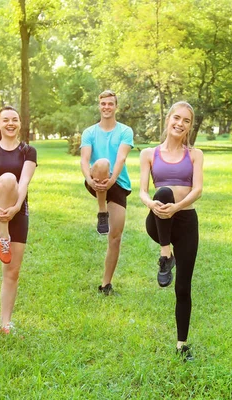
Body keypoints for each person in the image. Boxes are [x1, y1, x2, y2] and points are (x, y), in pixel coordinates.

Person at [139, 101, 203, 361]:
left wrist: (177, 207)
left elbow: (197, 189)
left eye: (186, 120)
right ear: (167, 119)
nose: (180, 123)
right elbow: (143, 190)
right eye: (176, 118)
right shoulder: (149, 154)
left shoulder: (195, 154)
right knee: (162, 192)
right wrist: (151, 203)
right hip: (158, 222)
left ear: (190, 126)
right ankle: (165, 254)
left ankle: (182, 343)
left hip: (186, 222)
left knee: (183, 287)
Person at [0, 106, 37, 334]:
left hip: (17, 211)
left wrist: (14, 208)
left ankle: (5, 324)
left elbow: (24, 184)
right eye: (5, 120)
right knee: (7, 178)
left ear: (20, 123)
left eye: (14, 119)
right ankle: (2, 232)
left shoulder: (28, 151)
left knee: (12, 271)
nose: (10, 123)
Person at [80, 90, 134, 295]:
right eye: (103, 104)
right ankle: (101, 212)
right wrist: (89, 180)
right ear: (99, 105)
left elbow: (121, 158)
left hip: (117, 182)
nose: (106, 107)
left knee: (116, 236)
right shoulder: (89, 132)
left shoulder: (125, 131)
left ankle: (106, 284)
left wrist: (112, 181)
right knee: (102, 163)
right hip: (96, 177)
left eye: (110, 104)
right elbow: (85, 160)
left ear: (116, 107)